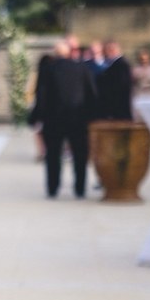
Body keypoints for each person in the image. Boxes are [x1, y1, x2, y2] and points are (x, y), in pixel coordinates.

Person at [31, 40, 98, 199]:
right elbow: (92, 94)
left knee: (53, 155)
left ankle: (53, 188)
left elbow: (41, 95)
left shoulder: (48, 69)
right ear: (69, 52)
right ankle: (80, 188)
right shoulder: (82, 68)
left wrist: (37, 116)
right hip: (78, 118)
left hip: (53, 119)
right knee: (79, 155)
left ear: (55, 53)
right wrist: (91, 116)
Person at [95, 40, 132, 120]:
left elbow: (122, 87)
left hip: (119, 109)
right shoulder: (116, 64)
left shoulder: (121, 65)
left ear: (111, 50)